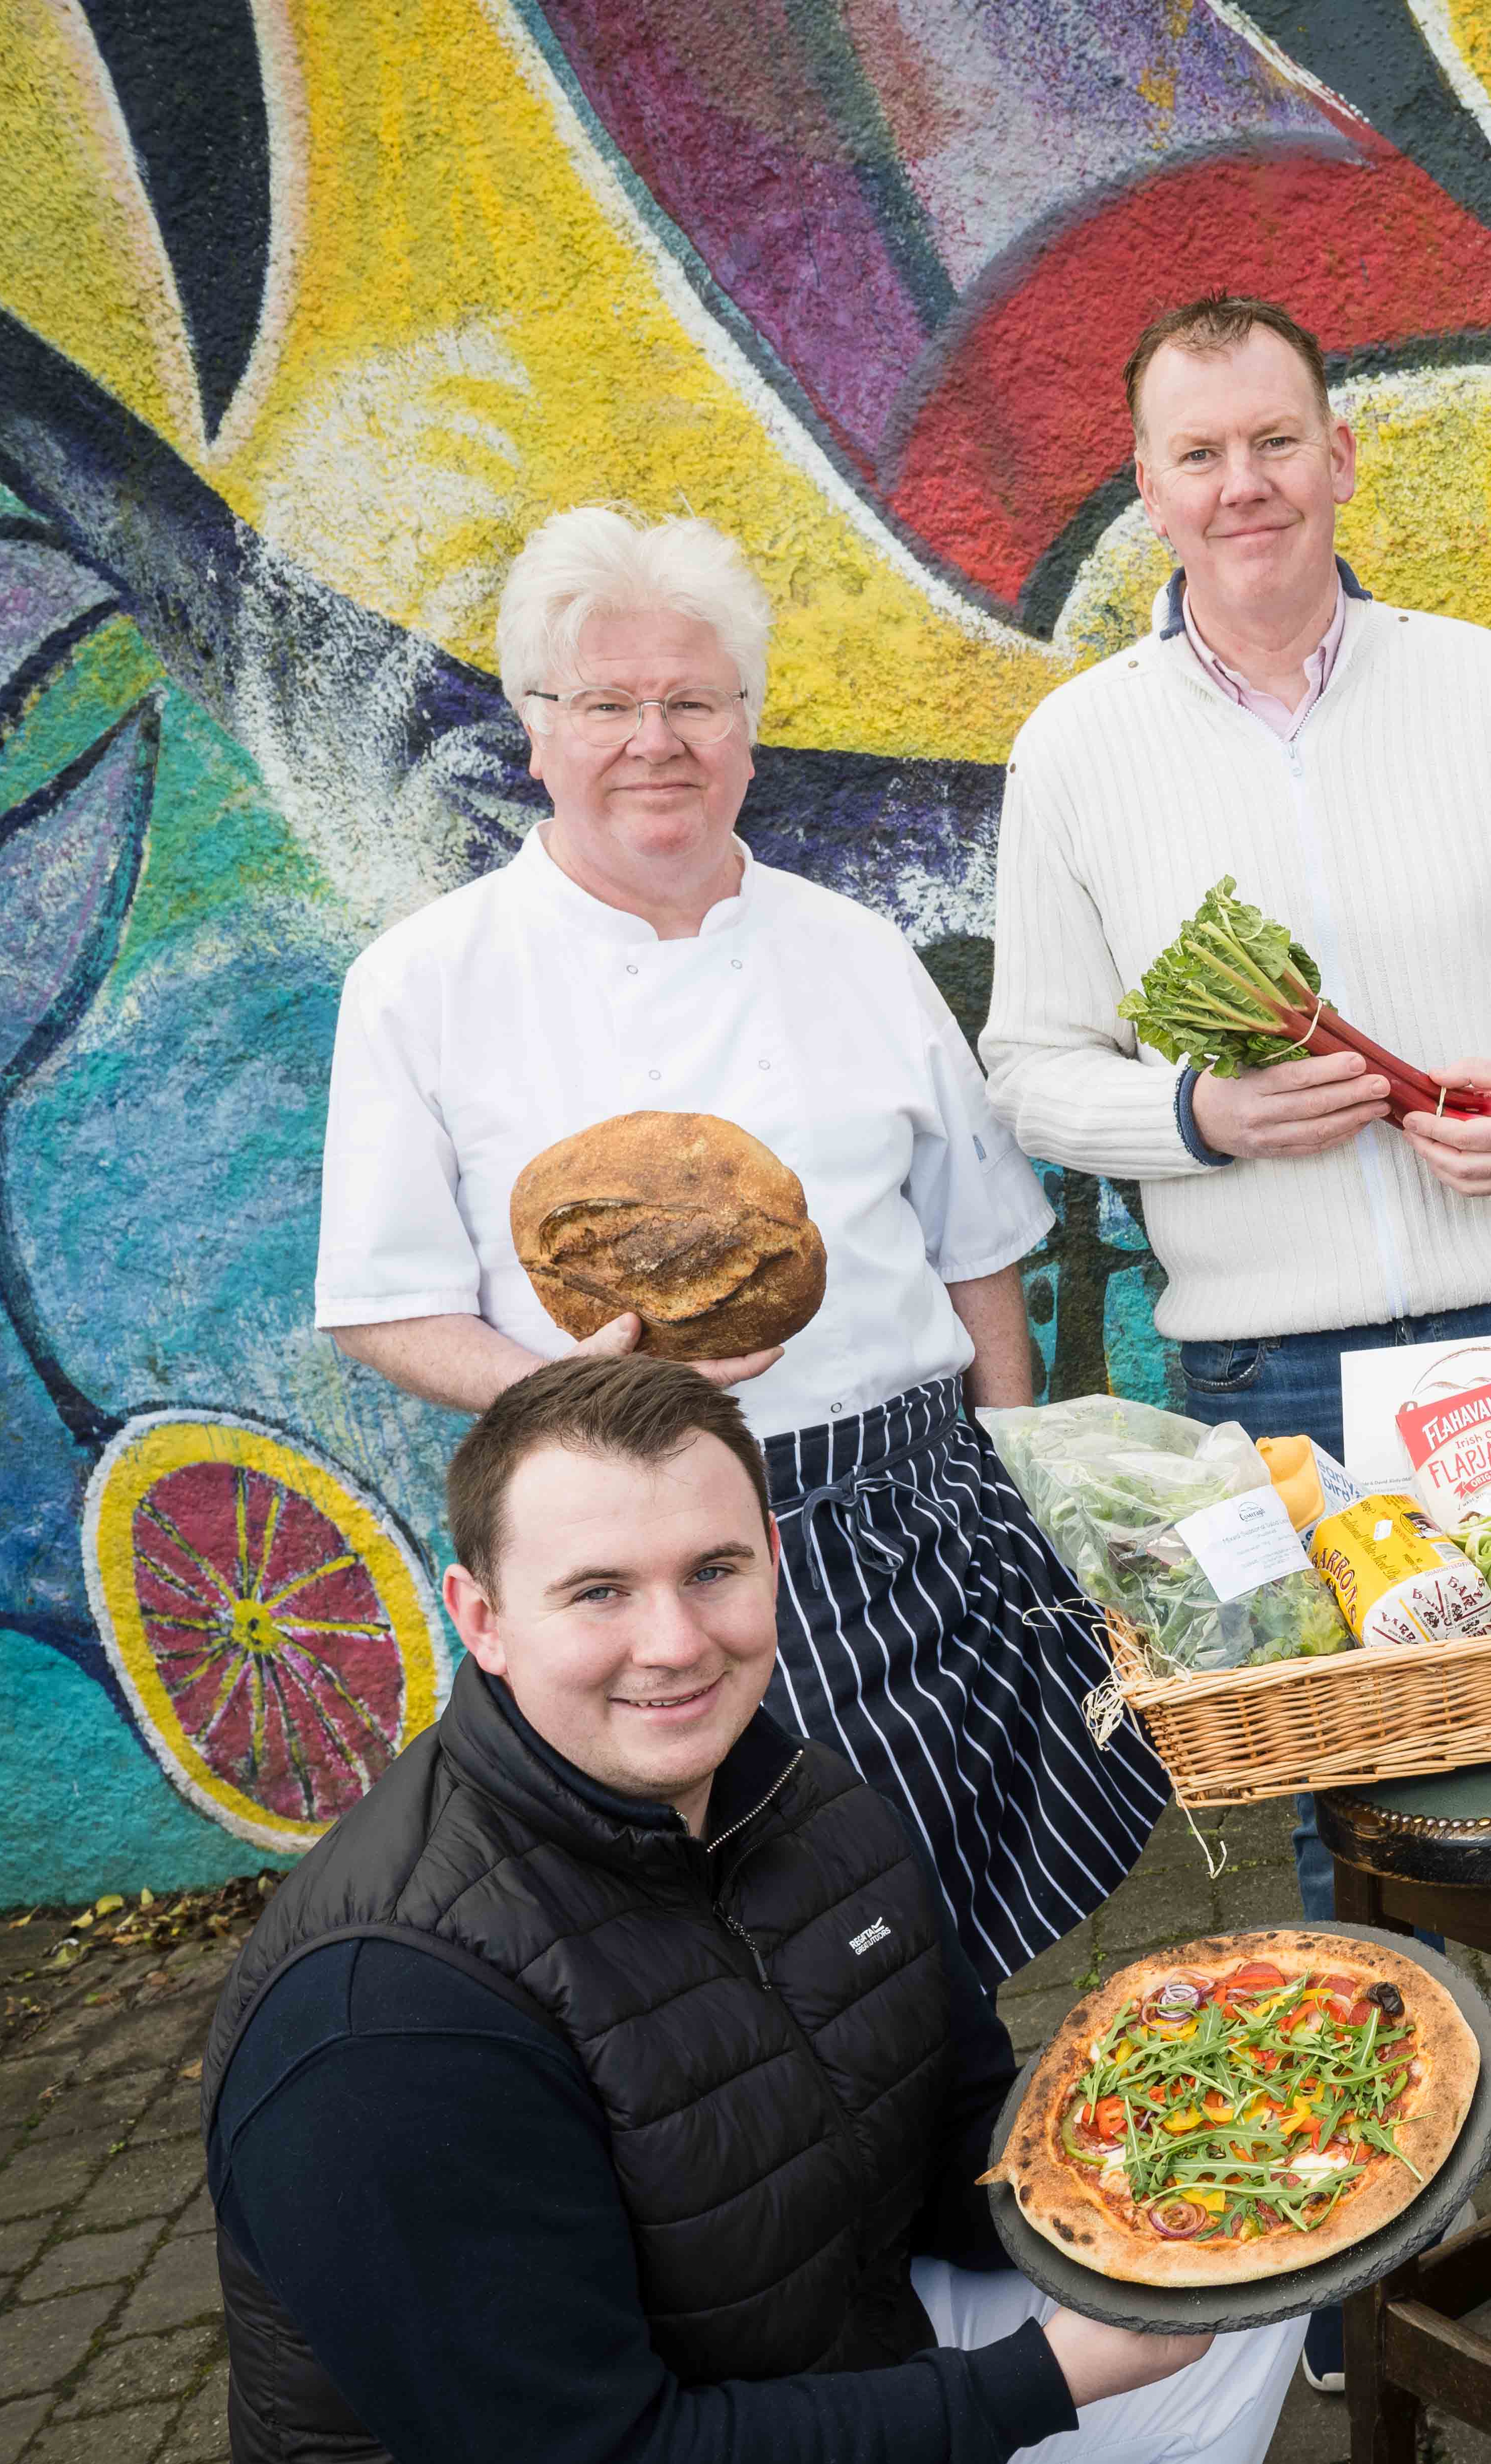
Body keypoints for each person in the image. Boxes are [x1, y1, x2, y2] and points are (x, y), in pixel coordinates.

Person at [974, 297, 1491, 2363]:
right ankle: (1370, 2191)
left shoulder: (1486, 695)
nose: (1243, 487)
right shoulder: (1081, 753)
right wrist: (1199, 1116)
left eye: (1276, 442)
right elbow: (1030, 1068)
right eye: (1197, 453)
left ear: (1341, 457)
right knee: (1356, 1788)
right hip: (1278, 1366)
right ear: (1147, 489)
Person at [201, 1356, 1299, 2464]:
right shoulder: (388, 2020)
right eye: (598, 1591)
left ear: (776, 1563)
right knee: (1138, 2335)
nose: (675, 1641)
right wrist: (1042, 2379)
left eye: (715, 1570)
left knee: (1250, 2282)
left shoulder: (807, 1794)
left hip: (812, 2451)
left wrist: (1202, 2123)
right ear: (481, 1618)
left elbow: (962, 2138)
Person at [315, 505, 1166, 1989]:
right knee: (733, 1971)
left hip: (913, 1517)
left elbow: (978, 1249)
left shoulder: (854, 947)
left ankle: (964, 2186)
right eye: (608, 704)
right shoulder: (424, 985)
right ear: (535, 733)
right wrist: (553, 1391)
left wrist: (1023, 1473)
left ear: (749, 732)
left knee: (941, 1929)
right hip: (645, 1566)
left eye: (695, 702)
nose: (657, 739)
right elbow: (383, 1306)